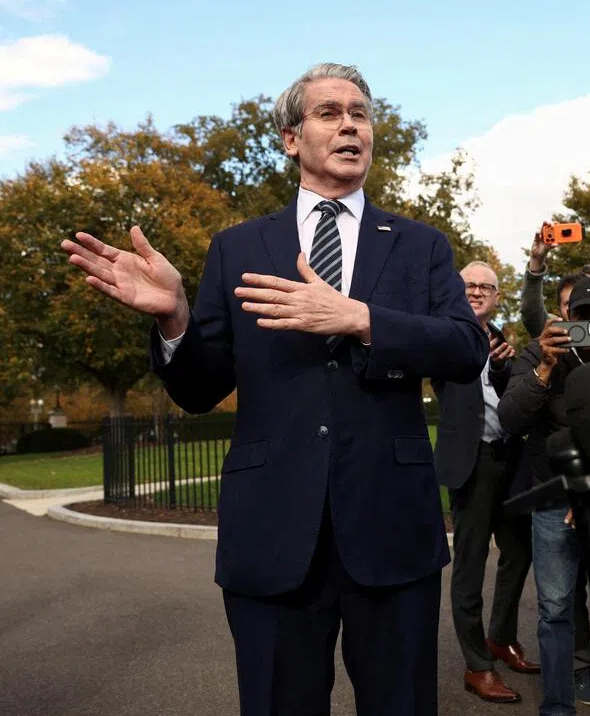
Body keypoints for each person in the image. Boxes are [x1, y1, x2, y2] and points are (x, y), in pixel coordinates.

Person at [62, 63, 488, 716]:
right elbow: (200, 388)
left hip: (391, 528)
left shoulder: (419, 246)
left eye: (361, 113)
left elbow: (465, 348)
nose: (350, 123)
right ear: (291, 138)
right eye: (329, 112)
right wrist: (173, 318)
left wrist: (361, 319)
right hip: (272, 534)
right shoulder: (238, 249)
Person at [497, 276, 590, 716]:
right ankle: (556, 706)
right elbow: (511, 418)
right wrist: (545, 368)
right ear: (565, 317)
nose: (588, 326)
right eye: (579, 316)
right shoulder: (541, 352)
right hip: (552, 495)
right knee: (555, 607)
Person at [432, 261, 538, 704]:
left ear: (497, 296)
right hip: (472, 460)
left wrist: (503, 369)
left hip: (510, 457)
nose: (476, 291)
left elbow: (508, 395)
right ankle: (478, 665)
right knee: (471, 565)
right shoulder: (440, 335)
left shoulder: (502, 342)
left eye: (485, 287)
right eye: (468, 285)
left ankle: (500, 637)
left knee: (519, 550)